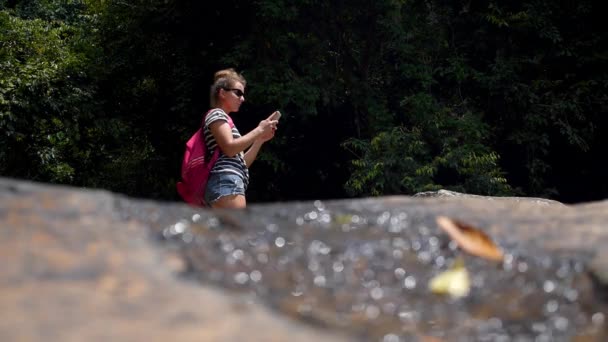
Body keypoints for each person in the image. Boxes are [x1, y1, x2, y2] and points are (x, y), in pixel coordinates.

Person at [203, 68, 278, 209]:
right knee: (239, 230)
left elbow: (242, 163)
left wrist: (259, 140)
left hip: (228, 181)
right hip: (226, 181)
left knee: (230, 231)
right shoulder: (217, 114)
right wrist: (259, 129)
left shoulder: (225, 120)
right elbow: (230, 148)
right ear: (222, 93)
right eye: (238, 93)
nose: (242, 98)